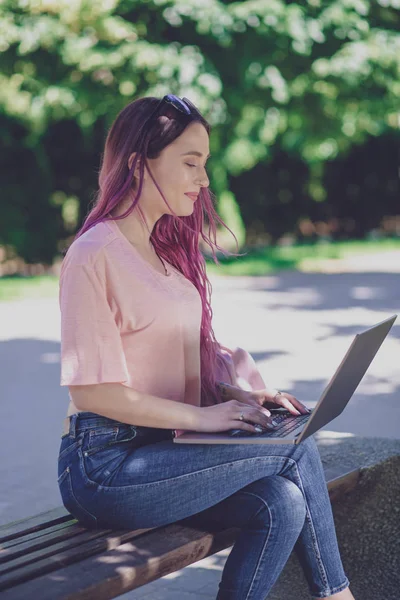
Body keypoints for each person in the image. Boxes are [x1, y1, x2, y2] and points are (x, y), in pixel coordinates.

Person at [57, 94, 354, 599]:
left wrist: (235, 396)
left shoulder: (164, 256)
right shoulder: (94, 254)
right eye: (190, 163)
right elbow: (93, 395)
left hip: (164, 453)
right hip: (105, 466)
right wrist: (205, 420)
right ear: (137, 163)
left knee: (280, 501)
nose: (204, 178)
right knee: (295, 452)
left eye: (206, 163)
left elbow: (162, 358)